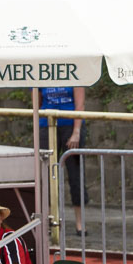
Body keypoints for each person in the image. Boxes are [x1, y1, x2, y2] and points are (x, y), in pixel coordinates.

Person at [33, 86, 88, 235]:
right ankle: (50, 220)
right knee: (47, 174)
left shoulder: (73, 71)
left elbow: (80, 105)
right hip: (47, 126)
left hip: (70, 125)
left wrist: (76, 131)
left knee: (76, 175)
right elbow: (36, 105)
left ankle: (80, 222)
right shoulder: (43, 74)